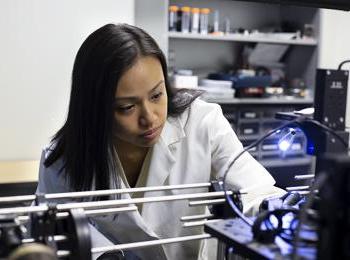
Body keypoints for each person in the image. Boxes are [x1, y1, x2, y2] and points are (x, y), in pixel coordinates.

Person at [36, 23, 284, 260]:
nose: (150, 118)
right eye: (127, 107)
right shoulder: (62, 159)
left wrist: (282, 212)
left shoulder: (202, 122)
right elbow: (57, 232)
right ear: (94, 108)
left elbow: (255, 192)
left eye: (157, 94)